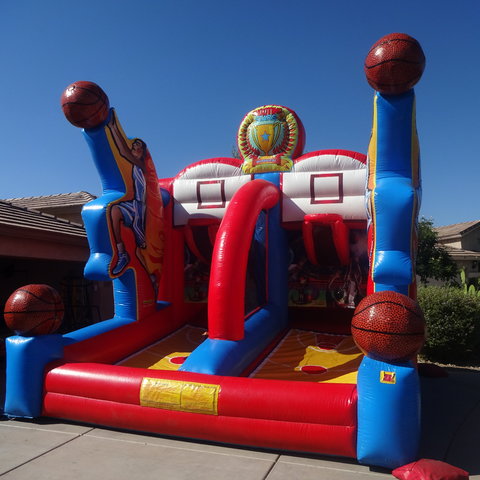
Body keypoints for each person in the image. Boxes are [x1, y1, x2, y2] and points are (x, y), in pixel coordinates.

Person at [106, 113, 150, 277]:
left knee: (140, 249)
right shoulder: (136, 166)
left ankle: (149, 277)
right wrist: (113, 128)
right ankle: (121, 252)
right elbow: (124, 151)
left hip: (140, 208)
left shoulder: (141, 165)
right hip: (133, 205)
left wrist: (114, 128)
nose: (135, 148)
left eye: (139, 147)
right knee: (114, 210)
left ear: (142, 152)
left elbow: (123, 151)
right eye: (134, 146)